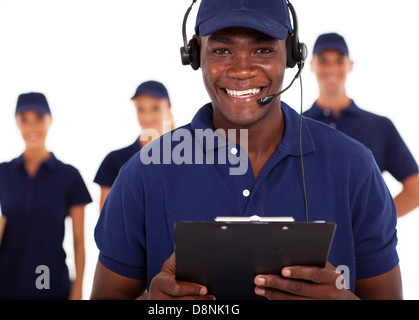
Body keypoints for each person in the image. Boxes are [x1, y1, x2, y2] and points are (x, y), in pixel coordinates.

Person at [91, 0, 402, 300]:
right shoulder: (143, 173)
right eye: (222, 50)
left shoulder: (354, 167)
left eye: (263, 48)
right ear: (196, 54)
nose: (242, 69)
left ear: (292, 54)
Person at [0, 92, 92, 300]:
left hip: (52, 287)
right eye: (24, 119)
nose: (31, 127)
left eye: (39, 118)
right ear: (16, 122)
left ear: (50, 120)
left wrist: (78, 289)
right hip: (4, 286)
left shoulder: (69, 176)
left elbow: (79, 240)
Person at [304, 32, 419, 218]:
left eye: (339, 60)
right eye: (323, 60)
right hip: (311, 242)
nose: (331, 67)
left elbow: (415, 188)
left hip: (365, 246)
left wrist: (378, 222)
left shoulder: (379, 126)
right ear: (312, 66)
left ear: (350, 65)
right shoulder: (296, 126)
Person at [94, 80, 174, 211]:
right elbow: (106, 223)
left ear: (168, 109)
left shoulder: (186, 157)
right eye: (141, 109)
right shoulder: (114, 161)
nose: (147, 116)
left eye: (155, 108)